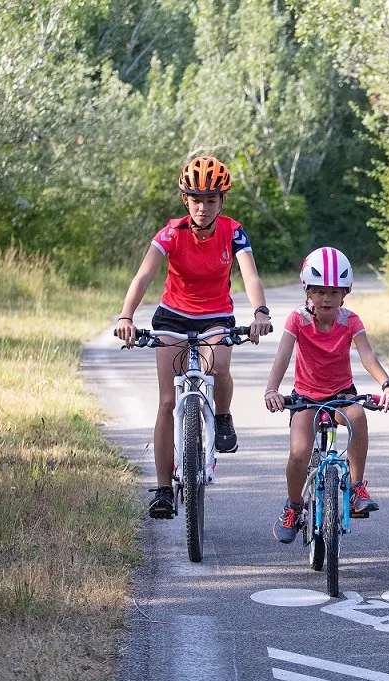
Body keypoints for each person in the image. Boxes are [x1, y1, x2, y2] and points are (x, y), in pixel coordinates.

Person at [114, 156, 275, 519]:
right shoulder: (171, 233)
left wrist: (260, 312)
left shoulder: (233, 232)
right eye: (196, 200)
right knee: (167, 402)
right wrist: (126, 316)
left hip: (216, 314)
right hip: (172, 314)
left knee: (218, 364)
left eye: (212, 200)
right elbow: (143, 277)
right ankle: (163, 489)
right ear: (185, 200)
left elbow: (250, 276)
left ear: (222, 202)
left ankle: (222, 416)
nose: (203, 208)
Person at [265, 247, 389, 543]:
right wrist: (272, 390)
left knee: (357, 416)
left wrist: (387, 384)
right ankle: (293, 506)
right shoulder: (297, 320)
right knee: (299, 452)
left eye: (334, 292)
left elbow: (367, 357)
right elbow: (282, 357)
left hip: (341, 394)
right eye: (319, 292)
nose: (326, 299)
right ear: (308, 292)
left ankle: (356, 488)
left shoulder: (350, 321)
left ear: (345, 293)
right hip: (305, 397)